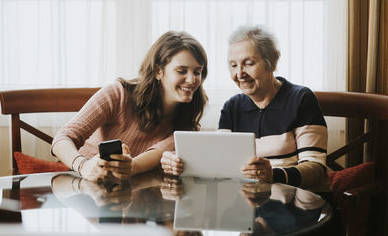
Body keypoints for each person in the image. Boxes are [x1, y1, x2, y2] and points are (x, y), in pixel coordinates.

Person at [161, 25, 328, 189]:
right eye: (233, 65)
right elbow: (217, 162)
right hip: (245, 207)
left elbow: (316, 169)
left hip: (293, 204)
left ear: (273, 61)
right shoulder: (233, 107)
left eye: (248, 63)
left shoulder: (301, 99)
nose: (239, 74)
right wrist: (178, 161)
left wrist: (273, 175)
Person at [51, 31, 208, 181]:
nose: (192, 80)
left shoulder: (187, 126)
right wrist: (83, 165)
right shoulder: (117, 94)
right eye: (182, 71)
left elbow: (148, 159)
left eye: (197, 72)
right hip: (80, 184)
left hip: (127, 196)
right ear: (158, 71)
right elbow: (62, 138)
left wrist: (129, 167)